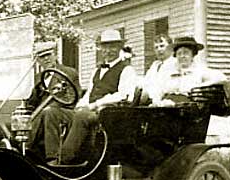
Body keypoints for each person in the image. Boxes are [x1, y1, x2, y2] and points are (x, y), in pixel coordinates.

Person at [55, 29, 137, 165]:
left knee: (82, 116)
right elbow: (89, 93)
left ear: (119, 48)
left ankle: (64, 160)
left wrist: (95, 104)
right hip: (89, 110)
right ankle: (51, 158)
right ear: (101, 49)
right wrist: (80, 105)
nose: (108, 50)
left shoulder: (127, 70)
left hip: (108, 114)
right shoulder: (96, 70)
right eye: (105, 47)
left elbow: (123, 95)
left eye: (112, 46)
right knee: (54, 113)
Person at [26, 41, 81, 162]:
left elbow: (73, 99)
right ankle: (24, 149)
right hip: (41, 115)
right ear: (38, 60)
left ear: (55, 55)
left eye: (48, 55)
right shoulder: (38, 78)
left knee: (49, 112)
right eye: (42, 57)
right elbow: (32, 101)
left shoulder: (69, 73)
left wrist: (52, 103)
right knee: (22, 117)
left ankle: (52, 157)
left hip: (66, 113)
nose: (46, 59)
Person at [153, 36, 227, 106]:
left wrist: (199, 87)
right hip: (166, 109)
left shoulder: (199, 71)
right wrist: (158, 102)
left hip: (189, 111)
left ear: (193, 55)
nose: (182, 56)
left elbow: (222, 78)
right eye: (179, 53)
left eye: (186, 52)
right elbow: (158, 92)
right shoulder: (168, 72)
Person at [138, 33, 177, 104]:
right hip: (150, 102)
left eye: (162, 46)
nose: (159, 50)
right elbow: (145, 83)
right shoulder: (155, 65)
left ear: (171, 47)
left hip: (166, 103)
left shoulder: (175, 64)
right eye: (156, 47)